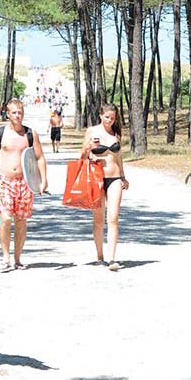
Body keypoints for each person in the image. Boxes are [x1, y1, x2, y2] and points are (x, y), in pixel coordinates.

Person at [0, 99, 48, 272]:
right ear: (8, 114)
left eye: (20, 112)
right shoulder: (0, 133)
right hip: (5, 181)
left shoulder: (30, 134)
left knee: (21, 221)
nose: (17, 116)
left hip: (25, 183)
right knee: (4, 218)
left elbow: (40, 157)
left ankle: (18, 258)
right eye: (14, 112)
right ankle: (5, 257)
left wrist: (43, 180)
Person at [81, 104, 129, 271]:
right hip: (97, 178)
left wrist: (123, 176)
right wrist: (89, 149)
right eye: (107, 117)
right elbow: (82, 155)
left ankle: (112, 258)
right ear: (101, 115)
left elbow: (119, 156)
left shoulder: (116, 133)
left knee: (114, 218)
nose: (110, 120)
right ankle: (100, 255)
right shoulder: (92, 131)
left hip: (114, 178)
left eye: (113, 118)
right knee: (98, 219)